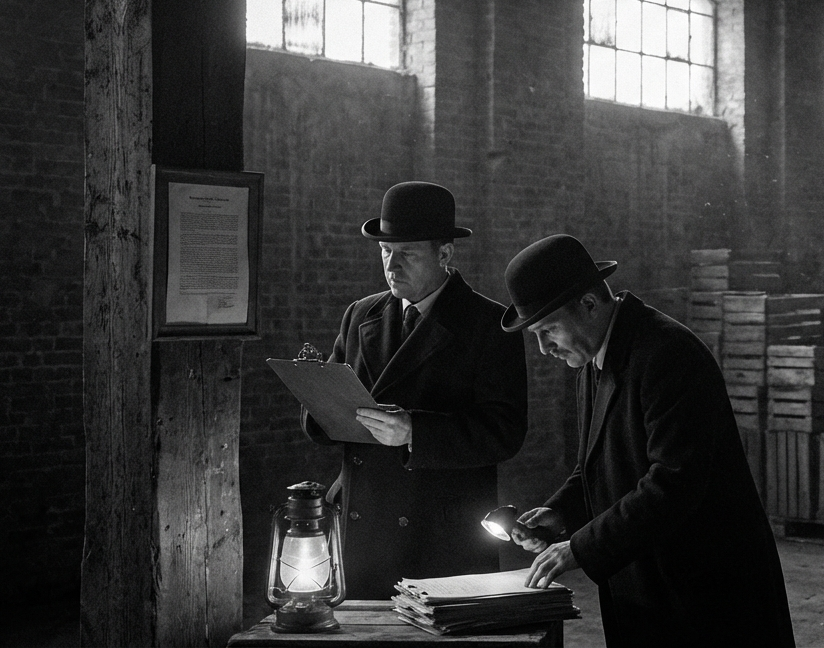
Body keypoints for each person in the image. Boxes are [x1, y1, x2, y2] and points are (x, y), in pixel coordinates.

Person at [500, 234, 795, 647]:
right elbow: (597, 465)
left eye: (548, 330)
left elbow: (673, 483)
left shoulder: (667, 354)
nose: (543, 348)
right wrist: (560, 512)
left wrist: (579, 549)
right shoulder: (594, 356)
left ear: (588, 304)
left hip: (705, 596)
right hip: (650, 589)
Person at [301, 181, 528, 598]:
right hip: (366, 527)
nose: (392, 265)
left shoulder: (488, 325)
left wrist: (414, 432)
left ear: (444, 254)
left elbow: (505, 430)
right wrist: (315, 396)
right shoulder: (361, 314)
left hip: (441, 531)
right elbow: (326, 415)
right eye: (386, 252)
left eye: (407, 254)